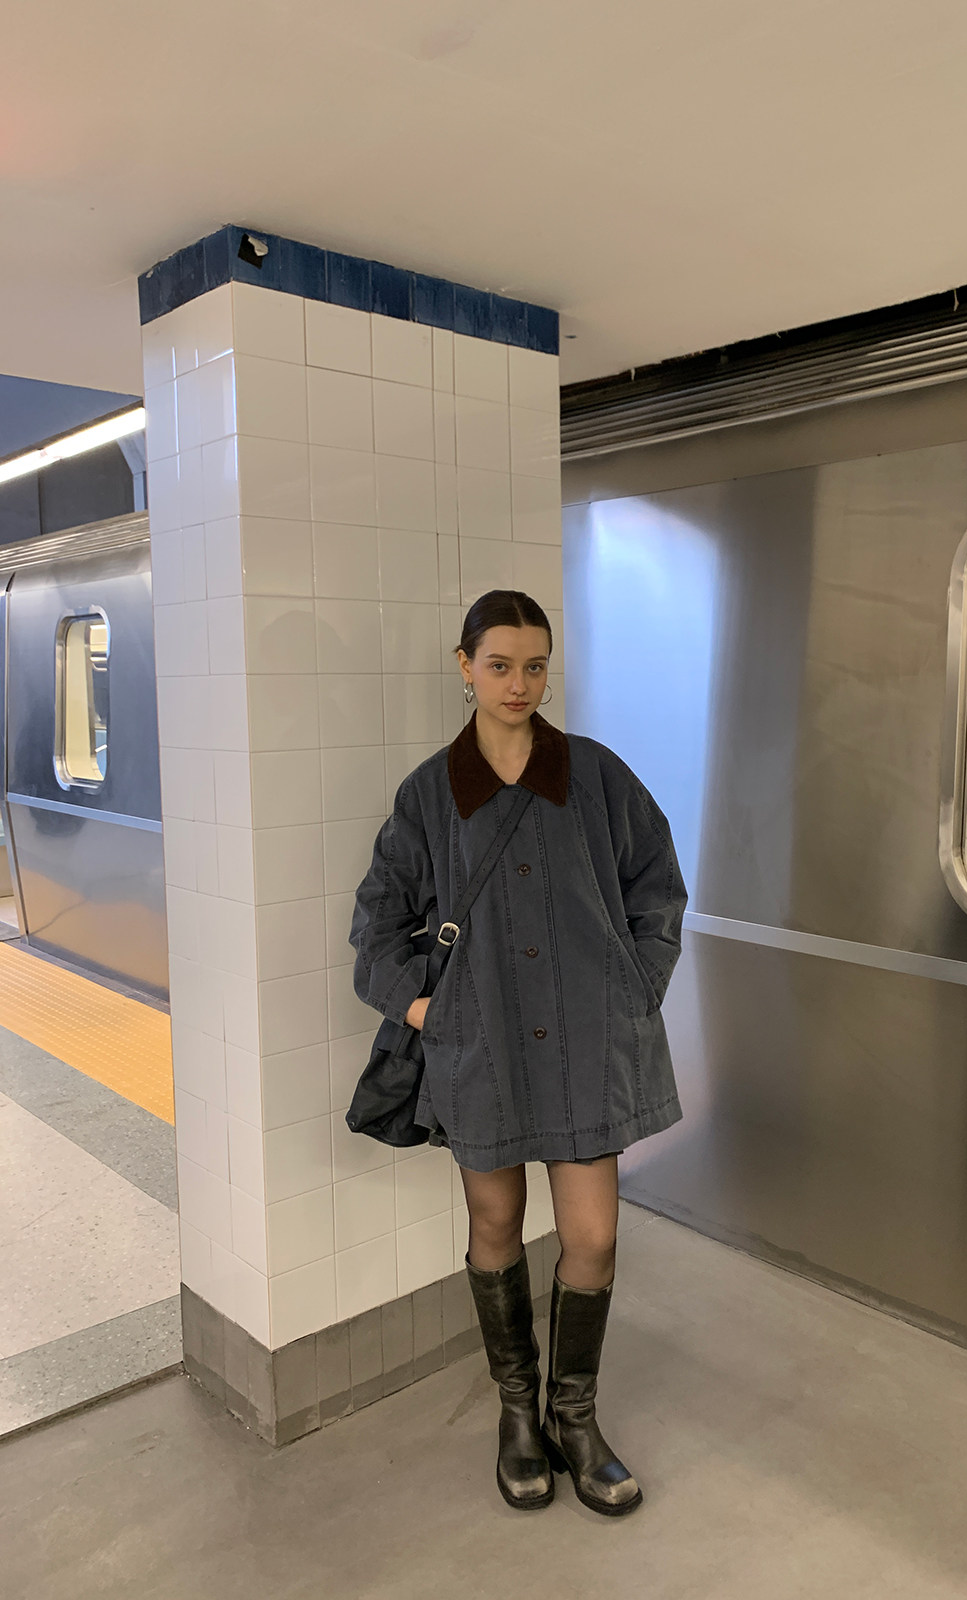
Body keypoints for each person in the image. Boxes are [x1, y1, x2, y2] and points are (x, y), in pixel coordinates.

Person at [350, 588, 687, 1517]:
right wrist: (423, 1007)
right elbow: (376, 923)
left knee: (593, 1236)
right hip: (484, 1044)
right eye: (499, 665)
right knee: (495, 1225)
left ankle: (574, 1418)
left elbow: (658, 887)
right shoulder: (430, 794)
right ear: (464, 667)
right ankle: (517, 1415)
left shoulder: (597, 776)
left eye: (535, 666)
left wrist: (635, 988)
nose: (519, 684)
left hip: (586, 1044)